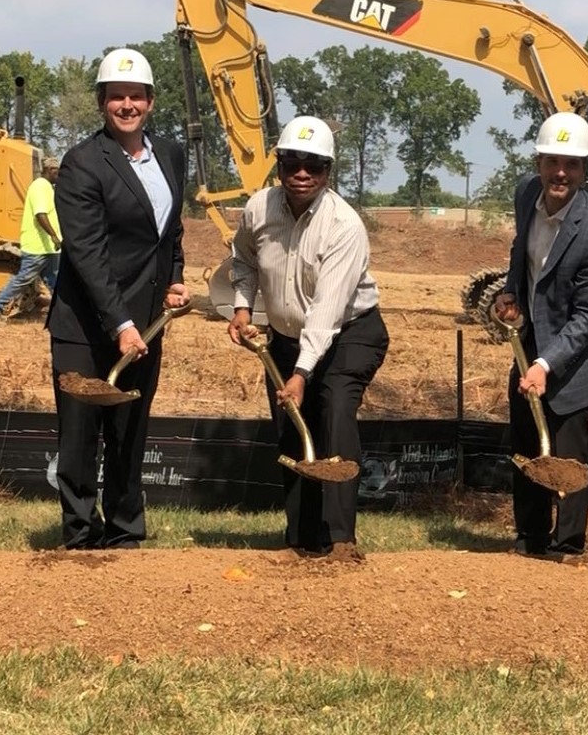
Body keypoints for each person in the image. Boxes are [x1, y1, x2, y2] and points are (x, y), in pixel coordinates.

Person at [226, 116, 389, 560]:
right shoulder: (258, 209)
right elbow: (242, 259)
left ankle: (340, 541)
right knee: (291, 430)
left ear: (328, 171)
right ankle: (300, 538)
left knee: (333, 409)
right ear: (278, 165)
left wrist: (300, 373)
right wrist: (242, 307)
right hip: (285, 336)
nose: (302, 173)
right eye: (292, 162)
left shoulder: (345, 226)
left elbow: (326, 314)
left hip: (351, 333)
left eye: (314, 165)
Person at [47, 48, 187, 550]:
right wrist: (120, 323)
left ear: (150, 101)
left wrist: (173, 280)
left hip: (146, 322)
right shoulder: (82, 163)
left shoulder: (170, 155)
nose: (127, 105)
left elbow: (169, 233)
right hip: (86, 323)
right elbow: (86, 254)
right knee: (81, 435)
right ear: (102, 102)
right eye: (116, 97)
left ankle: (126, 532)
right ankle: (81, 535)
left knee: (130, 430)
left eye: (136, 96)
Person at [491, 112, 588, 559]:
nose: (560, 173)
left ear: (585, 171)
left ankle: (568, 545)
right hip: (530, 338)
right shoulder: (527, 194)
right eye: (552, 162)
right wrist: (511, 291)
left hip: (578, 353)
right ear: (538, 163)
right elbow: (519, 250)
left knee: (566, 451)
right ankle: (529, 537)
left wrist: (546, 365)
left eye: (571, 165)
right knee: (526, 439)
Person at [0, 158, 62, 324]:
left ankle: (64, 313)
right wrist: (53, 236)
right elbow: (40, 214)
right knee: (24, 278)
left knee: (54, 280)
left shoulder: (47, 187)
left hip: (47, 247)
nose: (59, 174)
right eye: (56, 171)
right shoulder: (40, 186)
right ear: (49, 170)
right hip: (38, 245)